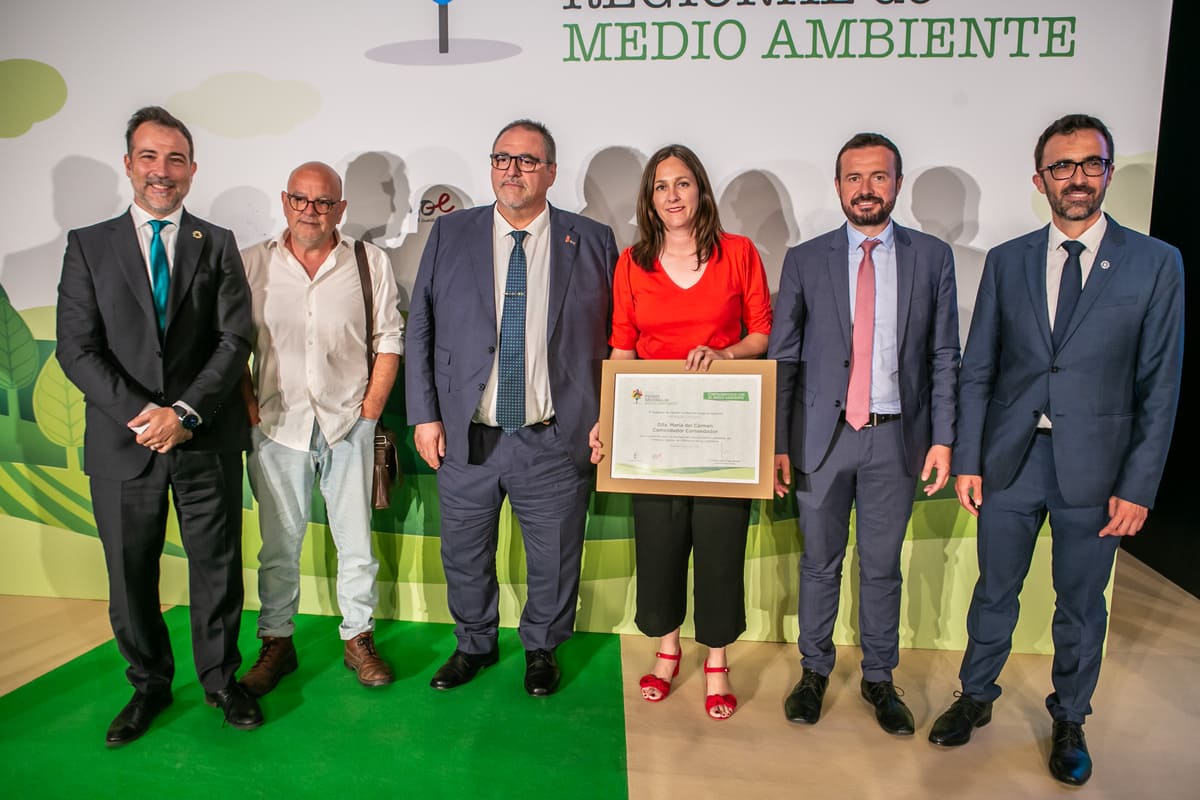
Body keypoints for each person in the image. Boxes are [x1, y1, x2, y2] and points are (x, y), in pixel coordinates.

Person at [928, 114, 1185, 787]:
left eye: (1091, 163)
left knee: (1080, 604)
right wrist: (970, 459)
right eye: (1062, 166)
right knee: (995, 590)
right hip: (1011, 461)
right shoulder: (1008, 260)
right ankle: (976, 696)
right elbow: (979, 369)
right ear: (1039, 180)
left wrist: (1139, 486)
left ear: (1108, 172)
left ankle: (1069, 717)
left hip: (1099, 470)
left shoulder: (1156, 263)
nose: (1077, 177)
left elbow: (1160, 386)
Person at [55, 106, 261, 745]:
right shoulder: (89, 245)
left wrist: (186, 413)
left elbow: (235, 338)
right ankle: (148, 685)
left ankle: (222, 681)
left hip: (205, 438)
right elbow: (76, 348)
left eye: (175, 159)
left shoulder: (216, 242)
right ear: (128, 164)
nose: (161, 171)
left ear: (192, 169)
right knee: (130, 574)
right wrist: (146, 417)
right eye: (149, 157)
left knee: (217, 568)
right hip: (125, 443)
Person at [406, 119, 618, 696]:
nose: (512, 170)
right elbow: (421, 324)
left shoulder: (592, 239)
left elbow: (615, 336)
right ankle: (473, 644)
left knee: (555, 558)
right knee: (464, 553)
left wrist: (611, 413)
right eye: (502, 158)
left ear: (551, 172)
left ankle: (542, 648)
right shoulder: (451, 232)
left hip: (555, 436)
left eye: (527, 161)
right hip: (467, 433)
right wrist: (424, 414)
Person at [768, 133, 960, 735]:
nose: (866, 189)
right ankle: (814, 672)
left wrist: (944, 437)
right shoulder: (806, 259)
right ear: (838, 186)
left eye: (879, 177)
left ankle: (879, 677)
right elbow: (784, 357)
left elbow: (944, 354)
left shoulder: (933, 258)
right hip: (820, 440)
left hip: (896, 440)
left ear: (897, 184)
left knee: (881, 567)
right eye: (854, 177)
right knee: (819, 563)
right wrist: (777, 442)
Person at [589, 144, 771, 720]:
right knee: (660, 547)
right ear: (649, 199)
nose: (673, 195)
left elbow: (761, 334)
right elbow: (622, 347)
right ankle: (667, 651)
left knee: (720, 549)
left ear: (701, 190)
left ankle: (716, 661)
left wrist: (725, 353)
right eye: (661, 186)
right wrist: (606, 420)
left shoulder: (739, 253)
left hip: (723, 433)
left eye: (683, 183)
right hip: (654, 435)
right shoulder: (631, 262)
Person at [237, 162, 404, 696]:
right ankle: (276, 642)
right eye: (301, 199)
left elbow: (389, 340)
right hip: (276, 426)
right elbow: (231, 345)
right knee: (277, 547)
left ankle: (359, 638)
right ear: (285, 201)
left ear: (341, 208)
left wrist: (369, 413)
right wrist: (249, 409)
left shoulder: (368, 261)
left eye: (324, 201)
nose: (311, 211)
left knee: (356, 543)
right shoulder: (252, 263)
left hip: (348, 423)